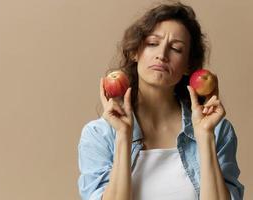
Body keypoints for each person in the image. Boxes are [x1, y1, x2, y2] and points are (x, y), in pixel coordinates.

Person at [77, 1, 244, 200]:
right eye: (152, 43)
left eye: (176, 49)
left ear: (189, 66)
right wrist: (123, 136)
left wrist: (205, 136)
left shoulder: (217, 130)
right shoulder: (99, 135)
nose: (162, 55)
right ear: (134, 52)